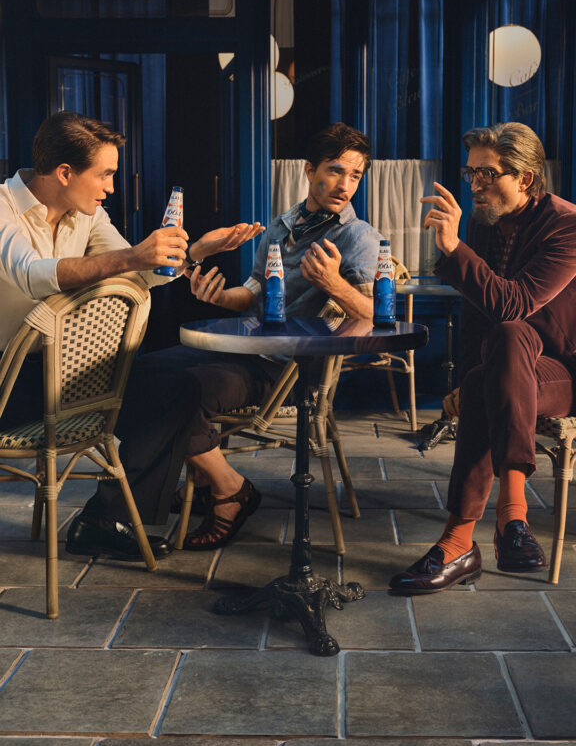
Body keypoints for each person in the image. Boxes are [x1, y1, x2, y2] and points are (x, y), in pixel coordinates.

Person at [0, 110, 263, 559]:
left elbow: (137, 271)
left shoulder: (87, 214)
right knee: (161, 387)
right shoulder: (4, 208)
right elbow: (32, 275)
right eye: (104, 174)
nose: (111, 187)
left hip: (61, 375)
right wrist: (132, 257)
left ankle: (106, 520)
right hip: (8, 383)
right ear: (64, 173)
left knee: (177, 388)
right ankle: (223, 487)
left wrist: (193, 252)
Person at [122, 121, 383, 554]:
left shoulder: (359, 237)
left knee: (181, 389)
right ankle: (212, 479)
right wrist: (220, 297)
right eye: (335, 170)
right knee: (140, 372)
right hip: (245, 352)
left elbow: (376, 315)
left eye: (355, 175)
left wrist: (335, 284)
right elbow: (256, 290)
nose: (345, 184)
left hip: (291, 372)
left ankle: (227, 490)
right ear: (309, 170)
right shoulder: (281, 226)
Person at [390, 121, 576, 594]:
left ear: (525, 178)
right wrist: (463, 376)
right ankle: (504, 529)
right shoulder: (483, 221)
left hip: (560, 372)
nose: (474, 184)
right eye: (470, 172)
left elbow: (514, 304)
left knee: (511, 330)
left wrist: (453, 248)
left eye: (486, 174)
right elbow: (476, 315)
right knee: (482, 376)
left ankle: (481, 529)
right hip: (502, 367)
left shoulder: (567, 225)